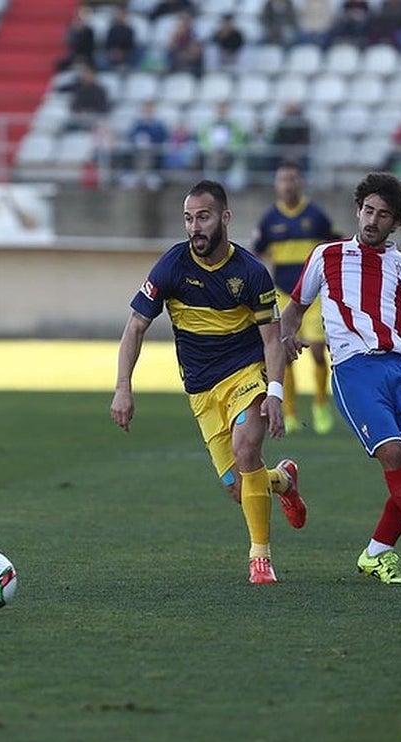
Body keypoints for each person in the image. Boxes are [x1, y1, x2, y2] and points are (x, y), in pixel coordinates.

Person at [279, 172, 401, 587]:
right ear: (358, 210)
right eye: (367, 210)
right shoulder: (327, 256)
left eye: (382, 215)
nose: (371, 220)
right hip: (355, 370)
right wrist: (286, 334)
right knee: (395, 457)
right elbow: (295, 306)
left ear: (395, 223)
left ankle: (377, 553)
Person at [111, 180, 308, 585]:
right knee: (239, 487)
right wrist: (123, 387)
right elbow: (135, 327)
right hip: (201, 389)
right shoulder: (172, 266)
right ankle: (283, 480)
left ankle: (260, 558)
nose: (195, 227)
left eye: (203, 217)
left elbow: (272, 340)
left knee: (247, 446)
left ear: (225, 218)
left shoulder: (250, 272)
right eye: (188, 218)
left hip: (245, 374)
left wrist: (274, 392)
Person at [252, 160, 339, 435]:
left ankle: (320, 402)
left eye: (292, 179)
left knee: (317, 351)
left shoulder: (315, 215)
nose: (288, 185)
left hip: (311, 295)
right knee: (283, 354)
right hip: (281, 294)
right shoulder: (269, 220)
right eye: (283, 180)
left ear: (299, 183)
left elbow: (332, 242)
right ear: (277, 185)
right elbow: (257, 252)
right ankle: (289, 411)